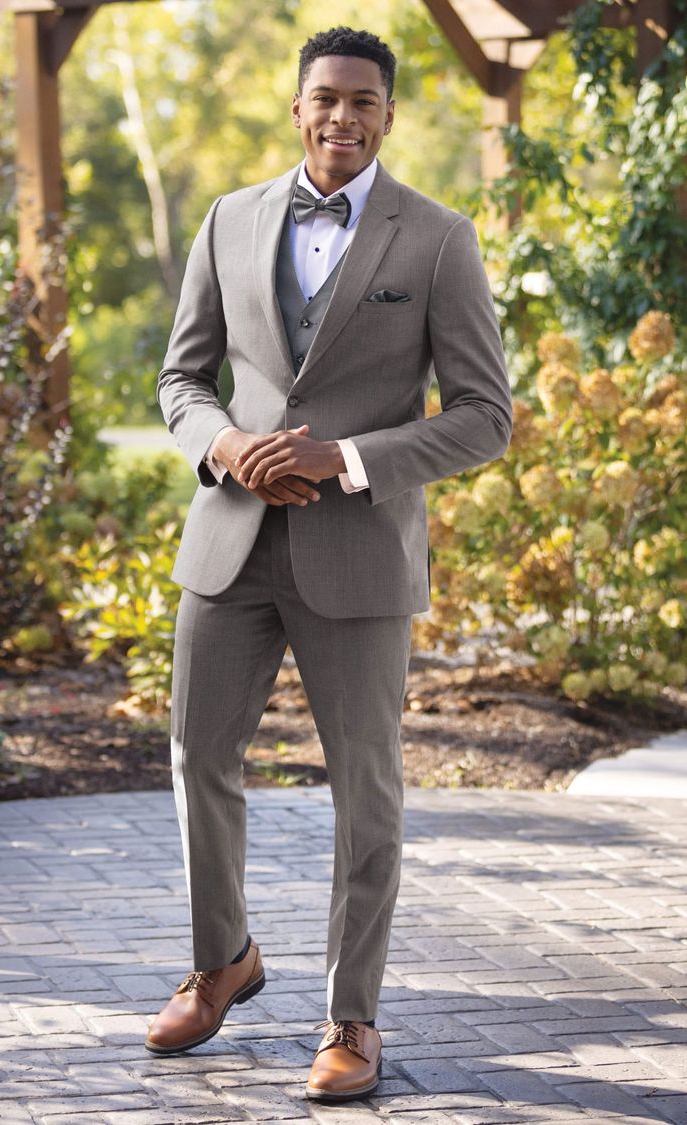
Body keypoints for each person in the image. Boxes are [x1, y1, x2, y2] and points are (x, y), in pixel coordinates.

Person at [146, 25, 513, 1103]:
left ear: (388, 115)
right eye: (325, 98)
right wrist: (225, 447)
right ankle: (223, 962)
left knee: (367, 791)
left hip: (357, 556)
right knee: (195, 760)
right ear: (297, 106)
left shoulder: (437, 240)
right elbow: (182, 381)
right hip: (230, 541)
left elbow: (486, 419)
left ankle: (352, 1017)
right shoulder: (228, 218)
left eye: (363, 101)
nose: (342, 116)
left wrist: (346, 457)